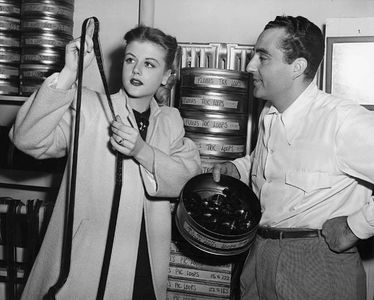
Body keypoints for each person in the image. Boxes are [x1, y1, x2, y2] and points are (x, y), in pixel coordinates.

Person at [10, 19, 201, 300]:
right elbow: (27, 138)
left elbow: (188, 179)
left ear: (166, 76)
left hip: (144, 264)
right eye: (130, 60)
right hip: (86, 262)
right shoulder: (89, 107)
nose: (136, 70)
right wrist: (68, 74)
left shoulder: (171, 121)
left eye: (149, 64)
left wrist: (141, 151)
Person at [213, 15, 374, 300]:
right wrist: (237, 169)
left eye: (262, 58)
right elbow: (267, 163)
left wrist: (356, 226)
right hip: (260, 253)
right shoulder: (269, 114)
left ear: (297, 67)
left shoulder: (342, 120)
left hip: (316, 263)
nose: (250, 67)